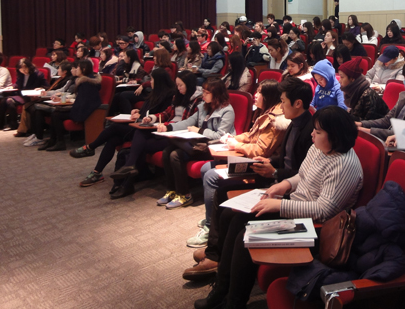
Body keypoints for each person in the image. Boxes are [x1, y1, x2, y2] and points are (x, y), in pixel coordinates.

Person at [191, 106, 363, 309]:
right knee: (234, 217)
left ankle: (234, 303)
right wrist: (284, 185)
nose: (312, 134)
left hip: (315, 228)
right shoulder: (320, 148)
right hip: (297, 208)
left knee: (246, 237)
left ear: (335, 136)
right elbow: (303, 175)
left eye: (317, 132)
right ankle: (221, 289)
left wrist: (280, 205)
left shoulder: (344, 165)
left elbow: (324, 211)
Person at [184, 77, 314, 261]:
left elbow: (305, 174)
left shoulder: (311, 131)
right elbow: (285, 158)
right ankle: (214, 250)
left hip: (287, 189)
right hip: (275, 178)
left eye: (283, 101)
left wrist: (274, 172)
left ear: (298, 103)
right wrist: (268, 161)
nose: (281, 107)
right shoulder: (293, 122)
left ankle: (215, 256)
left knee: (232, 214)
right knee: (221, 192)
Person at [187, 80, 287, 246]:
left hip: (259, 166)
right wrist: (234, 138)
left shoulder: (275, 119)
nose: (255, 95)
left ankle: (211, 226)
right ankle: (212, 217)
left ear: (268, 96)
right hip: (251, 159)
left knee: (211, 175)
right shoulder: (265, 112)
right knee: (205, 168)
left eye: (259, 92)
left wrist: (236, 145)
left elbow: (261, 151)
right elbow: (251, 135)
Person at [124, 78, 235, 209]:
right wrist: (168, 128)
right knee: (167, 151)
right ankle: (171, 191)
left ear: (216, 94)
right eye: (203, 92)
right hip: (199, 144)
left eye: (206, 92)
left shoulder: (227, 111)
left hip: (214, 147)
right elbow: (187, 122)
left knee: (175, 155)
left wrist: (199, 130)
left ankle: (185, 195)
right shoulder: (203, 107)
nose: (203, 95)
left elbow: (221, 136)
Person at [76, 68, 176, 190]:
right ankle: (97, 172)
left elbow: (160, 116)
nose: (150, 82)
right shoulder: (154, 93)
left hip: (149, 131)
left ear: (159, 81)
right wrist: (138, 112)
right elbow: (147, 111)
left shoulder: (168, 96)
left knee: (114, 127)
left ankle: (91, 148)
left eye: (152, 79)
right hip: (140, 126)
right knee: (113, 139)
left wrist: (142, 116)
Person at [357, 59, 405, 140]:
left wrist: (367, 131)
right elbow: (387, 120)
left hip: (400, 141)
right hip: (387, 137)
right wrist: (361, 124)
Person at [37, 60, 101, 151]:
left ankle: (59, 142)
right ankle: (53, 140)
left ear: (83, 69)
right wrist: (65, 100)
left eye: (77, 67)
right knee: (55, 112)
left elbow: (84, 102)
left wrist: (68, 104)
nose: (75, 70)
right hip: (80, 107)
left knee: (56, 115)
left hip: (85, 111)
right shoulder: (85, 80)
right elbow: (79, 98)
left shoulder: (87, 83)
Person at [0, 58, 47, 131]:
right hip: (21, 94)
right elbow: (18, 84)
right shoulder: (21, 74)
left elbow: (46, 86)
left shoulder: (38, 74)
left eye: (25, 69)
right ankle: (0, 125)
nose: (24, 71)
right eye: (22, 70)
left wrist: (40, 88)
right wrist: (12, 87)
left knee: (9, 101)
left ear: (29, 67)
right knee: (3, 101)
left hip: (30, 96)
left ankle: (13, 124)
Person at [339, 57, 389, 122]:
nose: (339, 81)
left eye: (342, 77)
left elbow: (368, 122)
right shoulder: (353, 91)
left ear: (352, 79)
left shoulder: (367, 95)